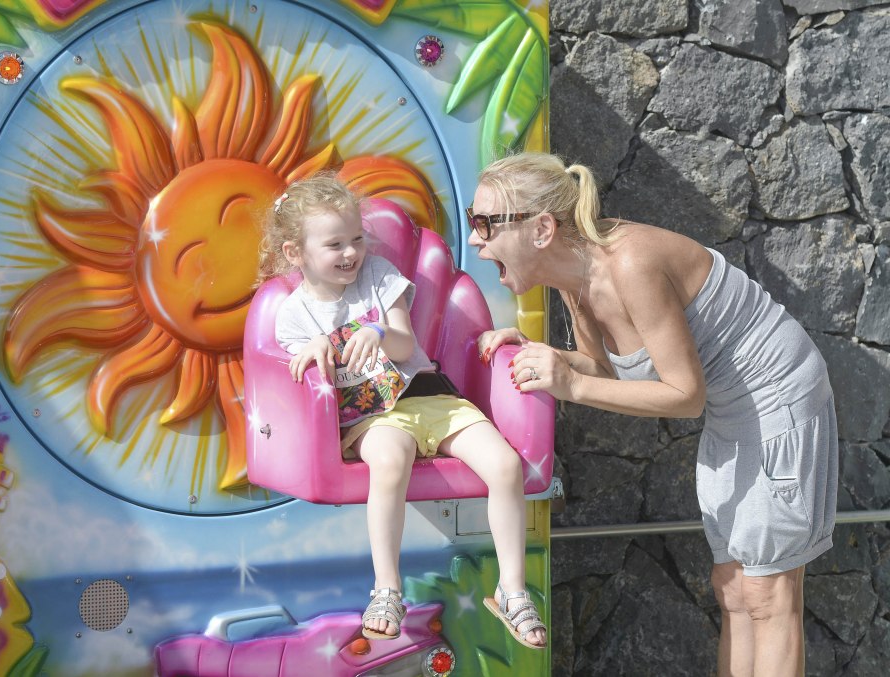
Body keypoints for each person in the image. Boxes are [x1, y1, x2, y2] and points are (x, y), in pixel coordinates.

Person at [470, 152, 837, 676]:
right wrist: (544, 356)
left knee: (767, 592)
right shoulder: (574, 278)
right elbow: (606, 368)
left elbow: (685, 396)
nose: (476, 240)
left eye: (485, 223)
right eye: (472, 221)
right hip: (733, 411)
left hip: (778, 399)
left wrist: (570, 382)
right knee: (732, 587)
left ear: (542, 229)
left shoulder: (629, 264)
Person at [258, 173, 547, 649]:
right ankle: (387, 589)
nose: (351, 252)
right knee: (390, 462)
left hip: (431, 397)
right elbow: (304, 380)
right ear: (296, 253)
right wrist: (319, 350)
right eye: (335, 244)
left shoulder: (378, 276)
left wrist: (370, 332)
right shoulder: (292, 315)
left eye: (356, 239)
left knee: (505, 464)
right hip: (374, 418)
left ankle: (512, 589)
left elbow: (404, 341)